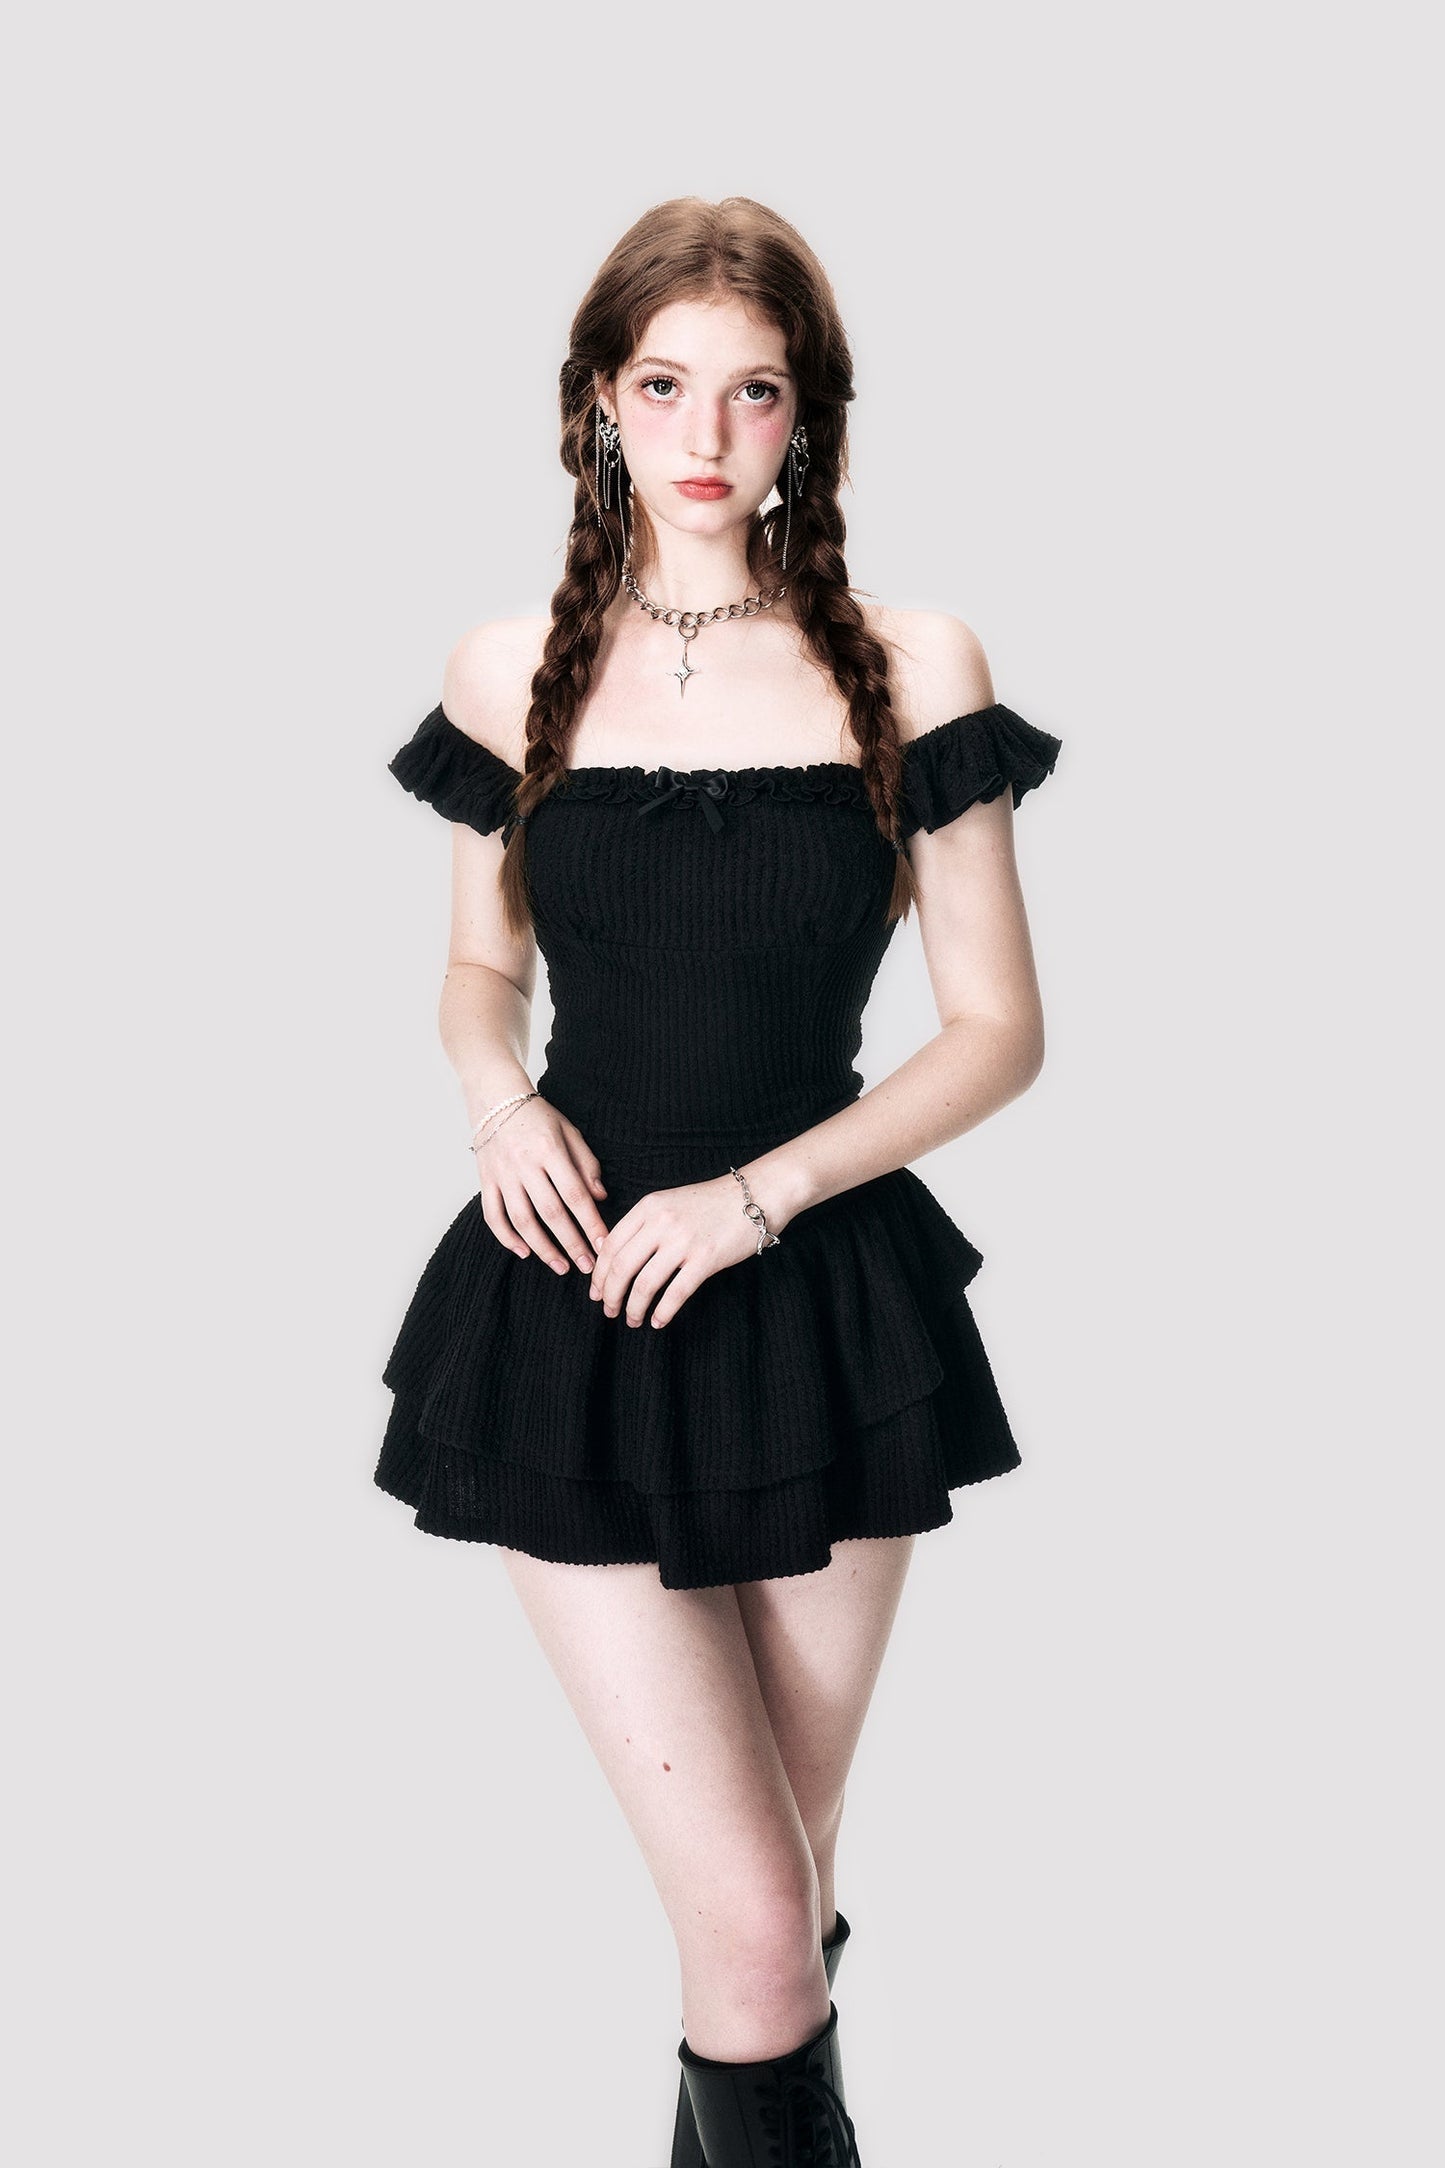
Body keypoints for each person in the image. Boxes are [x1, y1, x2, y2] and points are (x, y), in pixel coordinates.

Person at [374, 194, 1063, 2166]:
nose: (707, 432)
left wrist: (756, 1199)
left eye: (755, 393)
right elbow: (477, 969)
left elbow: (995, 1029)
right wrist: (496, 1098)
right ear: (599, 399)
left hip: (825, 1304)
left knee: (779, 1909)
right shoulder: (509, 665)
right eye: (665, 384)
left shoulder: (912, 664)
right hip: (575, 1300)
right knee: (759, 1933)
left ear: (807, 419)